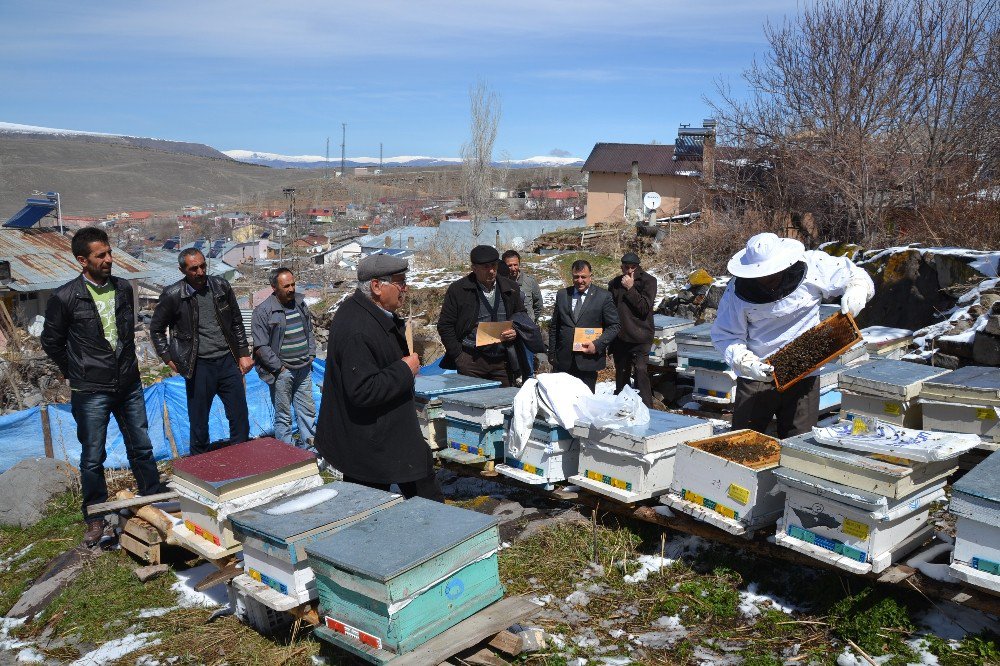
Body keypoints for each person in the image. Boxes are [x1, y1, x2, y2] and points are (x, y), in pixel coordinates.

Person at [41, 227, 167, 546]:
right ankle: (96, 517)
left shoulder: (123, 288)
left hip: (128, 381)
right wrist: (75, 370)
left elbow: (125, 333)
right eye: (101, 255)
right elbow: (51, 341)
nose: (109, 259)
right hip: (90, 389)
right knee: (93, 457)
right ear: (83, 260)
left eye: (109, 253)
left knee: (141, 444)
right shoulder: (65, 296)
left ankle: (154, 497)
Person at [711, 233, 874, 438]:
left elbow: (855, 274)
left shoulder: (814, 265)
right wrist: (745, 361)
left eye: (771, 274)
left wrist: (858, 290)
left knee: (799, 443)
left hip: (805, 370)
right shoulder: (736, 292)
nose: (766, 280)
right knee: (744, 440)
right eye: (760, 276)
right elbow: (726, 335)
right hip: (758, 373)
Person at [315, 253, 441, 500]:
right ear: (376, 286)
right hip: (372, 438)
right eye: (399, 282)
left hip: (383, 432)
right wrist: (405, 370)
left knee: (378, 496)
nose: (405, 288)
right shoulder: (358, 329)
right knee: (376, 502)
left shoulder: (367, 312)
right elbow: (362, 389)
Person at [150, 248, 254, 455]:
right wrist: (169, 358)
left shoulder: (221, 286)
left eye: (203, 266)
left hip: (227, 361)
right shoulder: (173, 295)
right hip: (198, 366)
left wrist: (243, 352)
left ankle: (242, 460)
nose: (200, 272)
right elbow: (156, 329)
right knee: (199, 422)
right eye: (193, 268)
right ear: (182, 270)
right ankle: (201, 467)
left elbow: (236, 321)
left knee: (239, 416)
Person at [437, 245, 526, 386]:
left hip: (503, 361)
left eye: (494, 265)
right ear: (474, 268)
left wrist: (515, 331)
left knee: (504, 403)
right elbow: (445, 325)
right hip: (471, 361)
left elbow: (522, 318)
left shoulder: (511, 288)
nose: (491, 271)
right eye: (485, 267)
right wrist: (459, 356)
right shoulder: (459, 290)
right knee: (472, 404)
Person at [251, 267, 317, 448]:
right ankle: (287, 454)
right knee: (283, 416)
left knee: (307, 412)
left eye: (293, 284)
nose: (291, 289)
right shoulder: (263, 311)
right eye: (286, 286)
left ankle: (310, 451)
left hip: (303, 368)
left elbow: (309, 331)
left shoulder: (300, 304)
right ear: (274, 287)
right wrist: (279, 368)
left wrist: (311, 355)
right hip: (283, 373)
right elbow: (261, 346)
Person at [548, 259, 621, 391]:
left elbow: (614, 325)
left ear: (590, 276)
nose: (580, 280)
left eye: (583, 277)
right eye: (576, 277)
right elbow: (555, 326)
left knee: (585, 402)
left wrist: (598, 344)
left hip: (588, 360)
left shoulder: (603, 296)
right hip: (564, 360)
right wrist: (552, 354)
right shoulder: (562, 295)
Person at [608, 252, 658, 407]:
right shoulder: (615, 283)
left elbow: (644, 308)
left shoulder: (649, 281)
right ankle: (621, 408)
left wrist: (630, 288)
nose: (629, 271)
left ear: (638, 267)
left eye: (633, 267)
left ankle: (648, 409)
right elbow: (609, 309)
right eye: (626, 267)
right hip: (620, 337)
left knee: (641, 371)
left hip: (641, 336)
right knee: (621, 375)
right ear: (621, 267)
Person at [502, 250, 543, 321]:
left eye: (515, 265)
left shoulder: (530, 281)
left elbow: (538, 305)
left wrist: (532, 319)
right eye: (509, 266)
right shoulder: (501, 282)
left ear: (519, 264)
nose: (513, 268)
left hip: (528, 326)